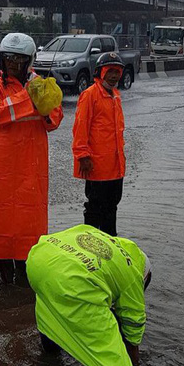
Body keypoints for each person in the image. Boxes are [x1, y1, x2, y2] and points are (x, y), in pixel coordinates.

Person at [26, 224, 152, 366]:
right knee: (116, 365)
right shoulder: (133, 275)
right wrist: (132, 362)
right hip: (74, 281)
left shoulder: (103, 238)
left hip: (38, 259)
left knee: (50, 305)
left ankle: (49, 353)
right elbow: (133, 323)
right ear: (145, 276)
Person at [0, 32, 63, 285]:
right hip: (2, 172)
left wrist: (44, 104)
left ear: (29, 61)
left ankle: (25, 285)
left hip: (31, 170)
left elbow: (54, 121)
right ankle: (6, 286)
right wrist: (30, 97)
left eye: (18, 60)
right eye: (8, 60)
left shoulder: (43, 85)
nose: (13, 65)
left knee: (29, 232)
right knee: (2, 232)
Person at [72, 51, 126, 236]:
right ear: (100, 72)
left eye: (117, 71)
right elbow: (80, 127)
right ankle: (91, 245)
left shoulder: (115, 96)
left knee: (112, 206)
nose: (114, 76)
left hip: (116, 165)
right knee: (95, 208)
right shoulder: (90, 95)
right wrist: (82, 156)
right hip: (97, 165)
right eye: (110, 71)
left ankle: (111, 242)